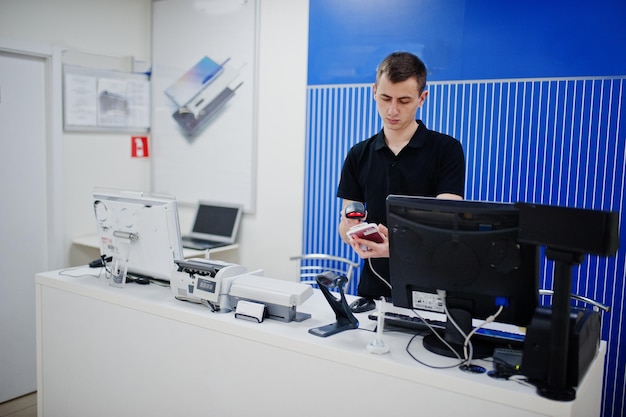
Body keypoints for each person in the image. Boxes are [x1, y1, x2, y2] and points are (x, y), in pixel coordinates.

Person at [337, 51, 465, 312]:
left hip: (430, 293)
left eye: (404, 101)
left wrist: (394, 248)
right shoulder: (358, 154)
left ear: (422, 98)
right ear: (374, 91)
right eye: (385, 98)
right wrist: (352, 231)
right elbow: (345, 226)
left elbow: (447, 230)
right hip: (373, 292)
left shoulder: (447, 150)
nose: (392, 110)